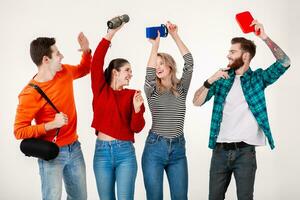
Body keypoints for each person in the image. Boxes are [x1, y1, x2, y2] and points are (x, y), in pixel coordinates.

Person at [193, 20, 290, 200]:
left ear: (245, 56)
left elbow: (285, 62)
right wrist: (210, 80)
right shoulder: (221, 79)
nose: (228, 55)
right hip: (219, 152)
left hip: (245, 154)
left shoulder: (258, 79)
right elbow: (196, 102)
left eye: (232, 51)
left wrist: (264, 37)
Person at [14, 32, 92, 200]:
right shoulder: (29, 94)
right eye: (58, 54)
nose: (62, 56)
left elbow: (85, 69)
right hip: (51, 153)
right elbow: (19, 131)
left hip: (74, 148)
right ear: (46, 60)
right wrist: (50, 125)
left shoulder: (64, 72)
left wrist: (86, 51)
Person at [91, 22, 145, 200]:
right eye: (127, 70)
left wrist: (137, 110)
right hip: (102, 153)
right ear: (115, 72)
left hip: (125, 153)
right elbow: (96, 61)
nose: (131, 74)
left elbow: (137, 128)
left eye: (131, 71)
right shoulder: (101, 89)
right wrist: (110, 35)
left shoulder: (133, 95)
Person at [142, 21, 194, 200]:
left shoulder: (181, 88)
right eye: (155, 64)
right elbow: (149, 74)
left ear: (170, 65)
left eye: (161, 63)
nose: (157, 67)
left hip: (178, 149)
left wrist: (174, 35)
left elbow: (189, 63)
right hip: (155, 148)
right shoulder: (152, 90)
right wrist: (155, 46)